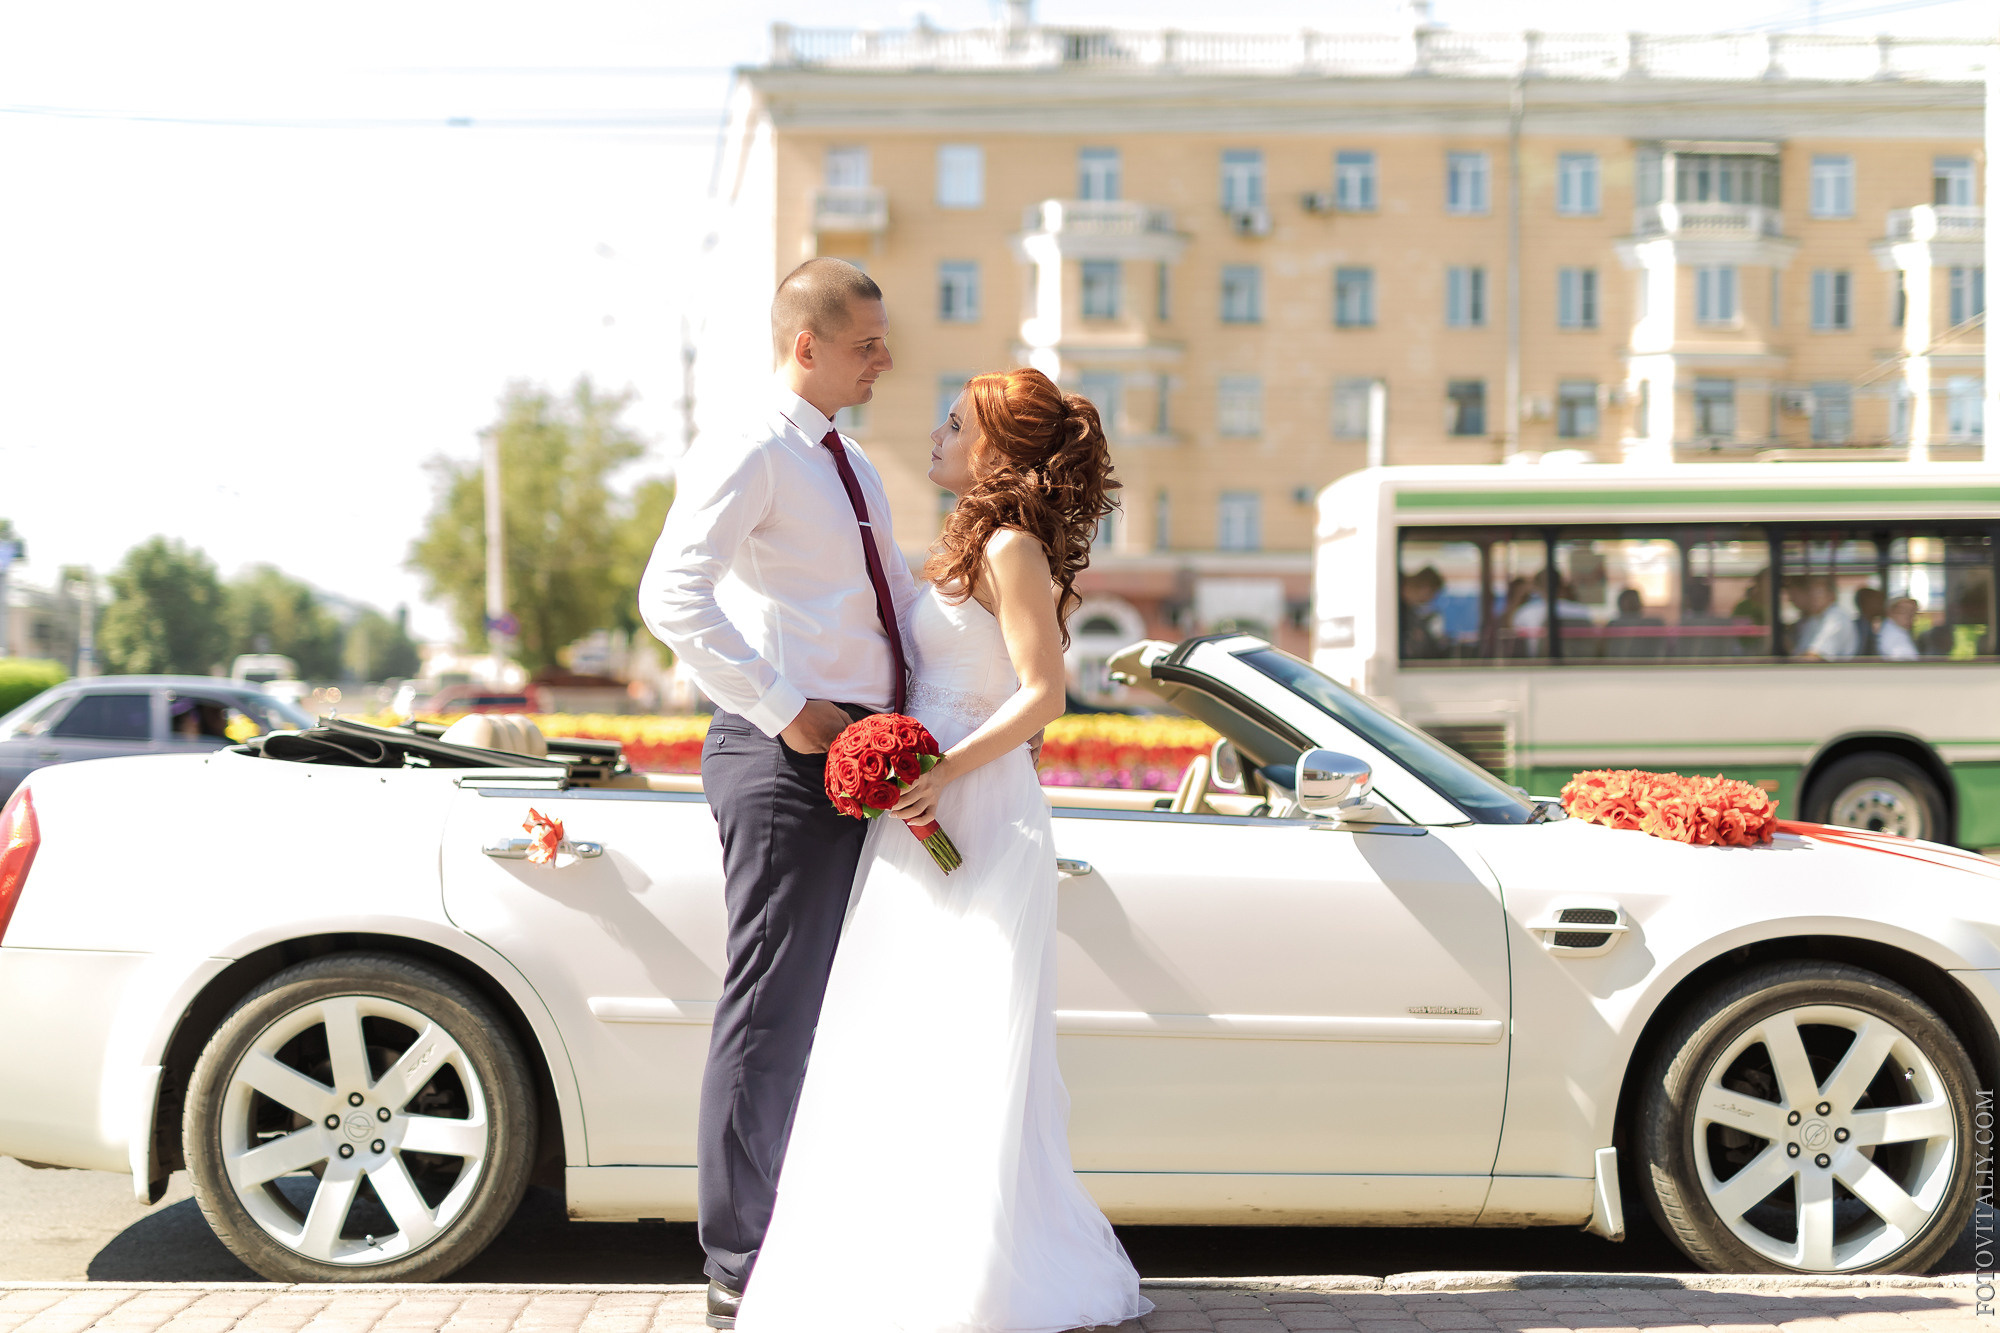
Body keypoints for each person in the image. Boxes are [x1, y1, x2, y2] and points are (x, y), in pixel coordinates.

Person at [733, 368, 1152, 1333]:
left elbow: (1045, 693)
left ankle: (981, 1275)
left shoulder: (1011, 548)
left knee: (970, 1037)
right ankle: (893, 1250)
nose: (935, 431)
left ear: (997, 448)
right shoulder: (962, 541)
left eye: (955, 422)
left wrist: (941, 768)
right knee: (897, 1026)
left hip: (979, 808)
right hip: (917, 812)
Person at [638, 257, 916, 1328]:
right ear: (806, 344)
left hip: (853, 760)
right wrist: (782, 706)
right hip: (784, 760)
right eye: (864, 343)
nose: (882, 357)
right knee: (770, 1007)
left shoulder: (845, 458)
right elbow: (670, 590)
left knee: (830, 1008)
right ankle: (738, 1260)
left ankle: (798, 1231)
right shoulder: (751, 444)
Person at [1783, 574, 1858, 661]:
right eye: (1810, 591)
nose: (1813, 597)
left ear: (1831, 594)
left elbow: (1816, 658)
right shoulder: (1814, 619)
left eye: (1819, 591)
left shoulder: (1836, 618)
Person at [1604, 587, 1665, 659]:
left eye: (1634, 601)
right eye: (1628, 601)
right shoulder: (1613, 625)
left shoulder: (1653, 624)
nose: (1630, 604)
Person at [1398, 566, 1444, 659]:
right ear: (1425, 588)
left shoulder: (1408, 610)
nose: (1432, 599)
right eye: (1433, 593)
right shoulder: (1394, 609)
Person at [1879, 596, 1921, 661]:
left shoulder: (1900, 630)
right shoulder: (1893, 635)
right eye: (1903, 611)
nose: (1909, 616)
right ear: (1890, 612)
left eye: (1913, 613)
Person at [1853, 587, 1885, 657]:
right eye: (1879, 601)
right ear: (1866, 603)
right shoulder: (1856, 629)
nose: (1882, 606)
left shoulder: (1873, 627)